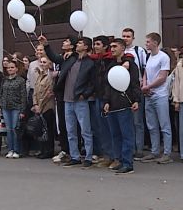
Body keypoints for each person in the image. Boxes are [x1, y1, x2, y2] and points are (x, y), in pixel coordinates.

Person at [41, 34, 96, 168]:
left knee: (85, 130)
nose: (78, 44)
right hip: (67, 100)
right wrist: (46, 45)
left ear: (86, 47)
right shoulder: (70, 59)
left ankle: (88, 157)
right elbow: (55, 58)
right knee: (70, 130)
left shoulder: (89, 63)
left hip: (80, 100)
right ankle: (74, 156)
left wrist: (85, 94)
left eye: (80, 43)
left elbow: (93, 82)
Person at [104, 38, 141, 174]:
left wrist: (136, 99)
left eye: (115, 46)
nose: (112, 49)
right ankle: (118, 159)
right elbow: (107, 85)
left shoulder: (131, 65)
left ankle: (128, 163)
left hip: (125, 104)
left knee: (127, 135)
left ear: (122, 48)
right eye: (111, 47)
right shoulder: (111, 65)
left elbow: (135, 84)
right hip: (112, 105)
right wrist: (106, 101)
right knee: (115, 135)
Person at [141, 32, 173, 164]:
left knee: (164, 125)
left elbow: (162, 76)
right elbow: (145, 73)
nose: (146, 44)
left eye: (148, 41)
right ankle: (154, 151)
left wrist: (149, 86)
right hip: (149, 94)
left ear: (155, 42)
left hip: (160, 95)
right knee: (152, 125)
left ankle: (167, 153)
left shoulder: (163, 57)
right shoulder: (149, 57)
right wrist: (144, 85)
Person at [122, 28, 148, 158]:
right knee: (127, 121)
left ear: (133, 38)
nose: (125, 38)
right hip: (122, 90)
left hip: (135, 88)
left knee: (138, 121)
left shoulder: (139, 51)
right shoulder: (120, 52)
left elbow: (145, 68)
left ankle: (139, 148)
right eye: (124, 36)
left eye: (128, 36)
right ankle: (129, 148)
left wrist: (143, 83)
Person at [89, 36, 114, 166]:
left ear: (105, 46)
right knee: (101, 128)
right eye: (94, 44)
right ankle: (107, 155)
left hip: (108, 98)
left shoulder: (111, 60)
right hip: (98, 96)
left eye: (98, 44)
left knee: (110, 128)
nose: (95, 47)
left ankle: (114, 156)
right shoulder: (95, 60)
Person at [0, 59, 27, 158]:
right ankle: (10, 149)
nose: (10, 69)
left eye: (12, 67)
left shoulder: (21, 80)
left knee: (15, 129)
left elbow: (23, 96)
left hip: (16, 107)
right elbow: (1, 93)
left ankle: (16, 150)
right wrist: (0, 104)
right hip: (6, 107)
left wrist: (22, 110)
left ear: (16, 69)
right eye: (8, 68)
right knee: (8, 129)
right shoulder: (5, 80)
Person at [32, 55, 56, 159]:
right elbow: (35, 92)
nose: (42, 64)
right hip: (39, 106)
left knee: (48, 129)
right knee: (41, 129)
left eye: (44, 62)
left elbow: (48, 93)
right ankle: (42, 149)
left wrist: (40, 106)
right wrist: (35, 104)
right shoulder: (39, 75)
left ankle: (49, 150)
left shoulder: (50, 76)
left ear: (49, 64)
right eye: (41, 62)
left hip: (47, 106)